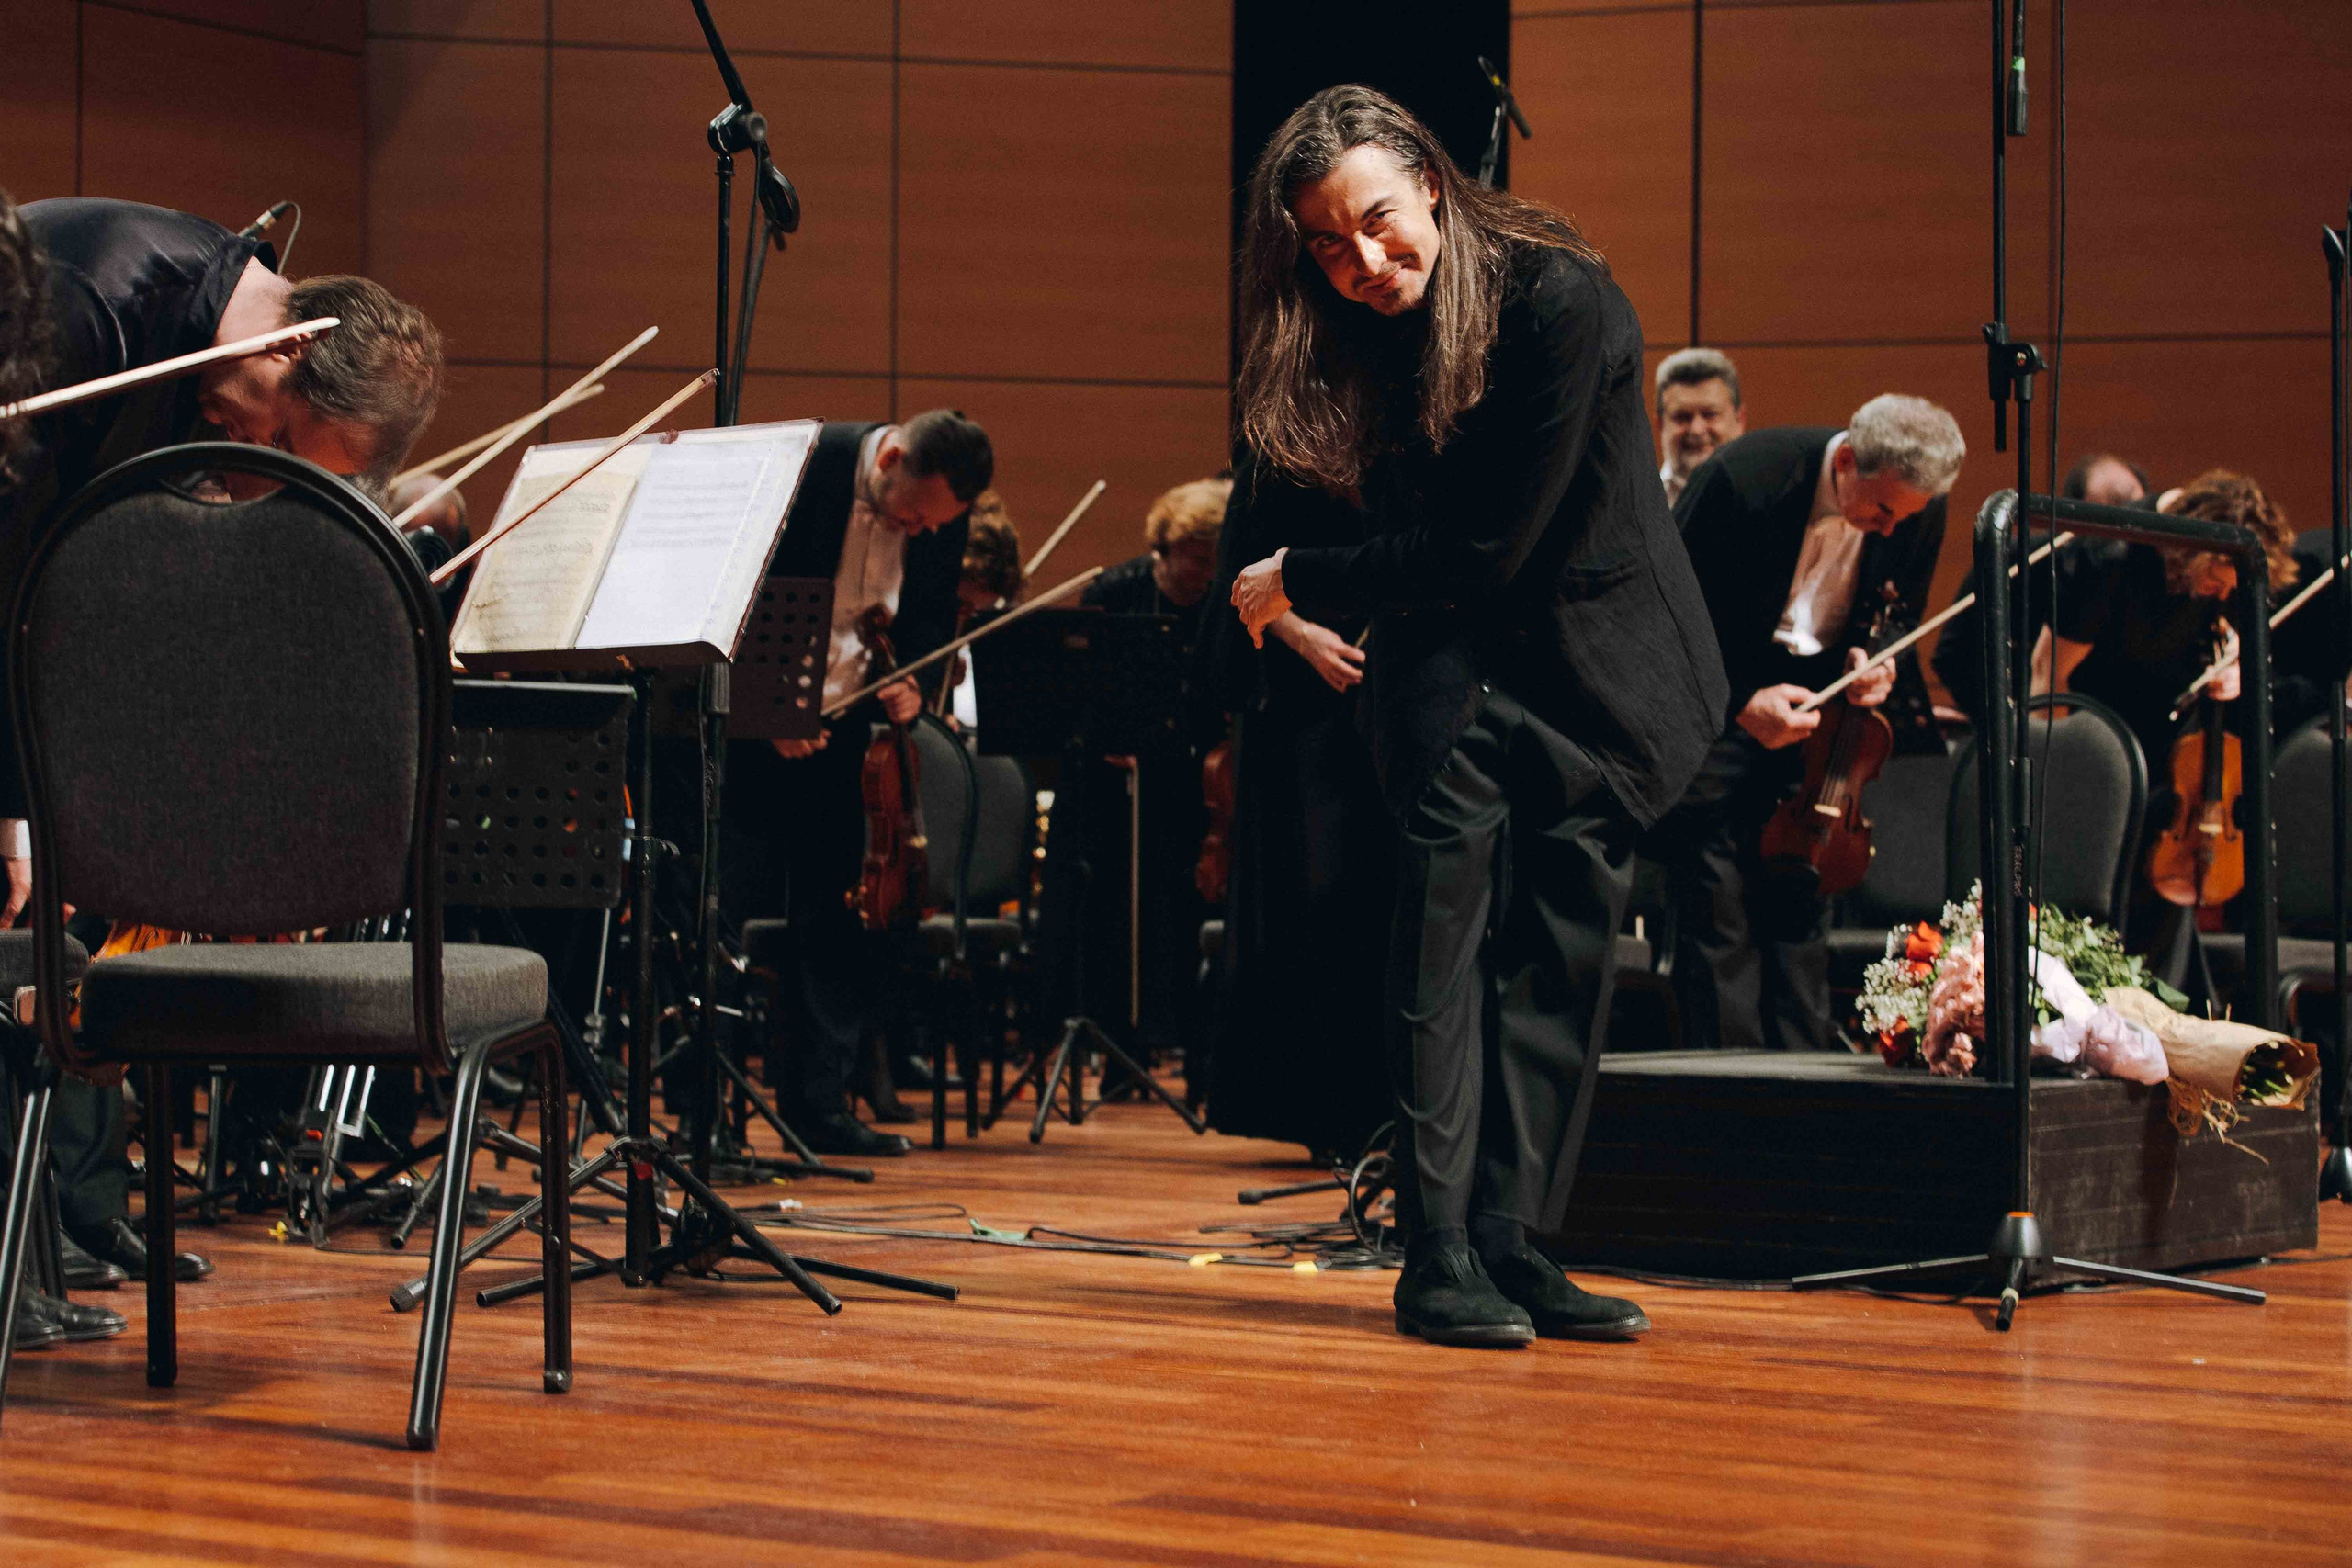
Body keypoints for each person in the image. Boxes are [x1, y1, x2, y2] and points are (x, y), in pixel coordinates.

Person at [1227, 86, 1726, 1348]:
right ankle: (1437, 1250)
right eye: (1328, 246)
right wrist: (1281, 588)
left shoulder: (1563, 299)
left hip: (1592, 680)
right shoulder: (1350, 325)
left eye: (1381, 224)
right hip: (1452, 681)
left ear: (1434, 186)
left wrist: (1305, 578)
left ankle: (1516, 1240)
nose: (1364, 264)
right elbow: (1323, 519)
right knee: (1432, 975)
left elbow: (1492, 544)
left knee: (1559, 968)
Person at [0, 196, 442, 1299]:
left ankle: (61, 1225)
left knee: (80, 926)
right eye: (280, 444)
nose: (258, 475)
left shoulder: (216, 372)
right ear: (288, 350)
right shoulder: (95, 301)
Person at [1655, 396, 1964, 1055]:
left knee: (1805, 891)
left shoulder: (1915, 505)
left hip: (1823, 716)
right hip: (1722, 705)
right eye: (1880, 511)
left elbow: (1899, 614)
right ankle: (1725, 1087)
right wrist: (1741, 701)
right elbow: (1665, 610)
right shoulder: (1745, 478)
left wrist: (1879, 661)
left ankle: (1804, 1082)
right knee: (1719, 905)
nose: (1889, 530)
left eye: (1902, 517)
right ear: (1848, 460)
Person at [718, 410, 986, 1157]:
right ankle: (707, 1108)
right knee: (728, 912)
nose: (922, 532)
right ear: (891, 456)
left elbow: (929, 624)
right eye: (912, 515)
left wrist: (913, 683)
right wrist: (766, 703)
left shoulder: (938, 513)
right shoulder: (802, 461)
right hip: (750, 732)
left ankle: (819, 1104)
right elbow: (736, 589)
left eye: (935, 525)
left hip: (845, 735)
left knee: (834, 918)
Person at [1196, 447, 1392, 1160]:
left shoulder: (1400, 434)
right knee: (1314, 898)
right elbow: (1237, 578)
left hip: (1379, 700)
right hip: (1298, 706)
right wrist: (1305, 638)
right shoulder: (1277, 454)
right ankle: (1325, 1113)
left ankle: (1377, 1109)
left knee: (1370, 902)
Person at [1069, 478, 1230, 1071]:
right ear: (1167, 546)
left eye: (1217, 558)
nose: (1206, 571)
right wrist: (1108, 733)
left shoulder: (1219, 601)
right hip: (1119, 781)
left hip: (1190, 779)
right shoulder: (1116, 591)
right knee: (1117, 907)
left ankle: (1179, 1032)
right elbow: (1081, 688)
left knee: (1180, 906)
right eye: (1197, 557)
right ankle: (1116, 1039)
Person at [1930, 448, 2152, 726]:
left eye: (2133, 508)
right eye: (2111, 510)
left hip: (2121, 729)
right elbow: (1953, 655)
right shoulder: (2016, 560)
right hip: (2029, 728)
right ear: (2073, 516)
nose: (2118, 536)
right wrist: (2007, 724)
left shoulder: (2147, 577)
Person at [1654, 346, 1745, 508]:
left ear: (1739, 419)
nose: (1696, 430)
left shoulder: (1771, 499)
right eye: (1682, 417)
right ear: (1660, 425)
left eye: (1710, 414)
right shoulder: (1632, 506)